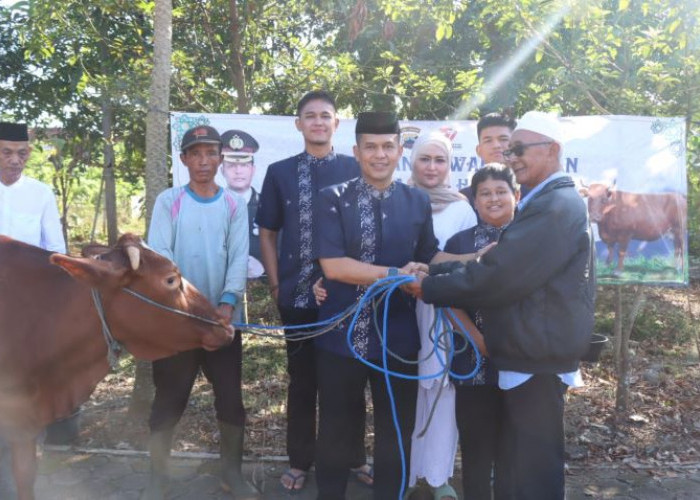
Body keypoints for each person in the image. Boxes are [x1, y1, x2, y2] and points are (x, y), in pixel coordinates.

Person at [406, 111, 596, 500]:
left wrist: (429, 288)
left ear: (554, 150)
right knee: (518, 468)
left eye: (522, 149)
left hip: (536, 362)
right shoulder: (547, 204)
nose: (514, 157)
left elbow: (499, 277)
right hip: (527, 358)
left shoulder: (555, 207)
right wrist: (437, 276)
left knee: (534, 474)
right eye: (511, 150)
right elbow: (496, 271)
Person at [314, 112, 481, 500]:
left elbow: (429, 256)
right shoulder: (332, 199)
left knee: (395, 431)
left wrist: (475, 260)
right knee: (336, 429)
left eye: (388, 146)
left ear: (399, 151)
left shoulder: (415, 201)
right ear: (355, 151)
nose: (379, 154)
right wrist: (395, 273)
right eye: (370, 146)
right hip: (340, 336)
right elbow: (334, 267)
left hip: (398, 339)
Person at [255, 91, 372, 492]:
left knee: (349, 380)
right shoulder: (279, 173)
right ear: (299, 124)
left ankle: (354, 456)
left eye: (326, 116)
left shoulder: (356, 170)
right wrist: (275, 284)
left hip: (346, 298)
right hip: (297, 299)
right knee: (302, 380)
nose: (318, 122)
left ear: (337, 124)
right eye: (310, 116)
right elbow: (268, 232)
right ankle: (300, 460)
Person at [143, 125, 257, 500]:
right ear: (184, 160)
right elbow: (160, 258)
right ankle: (159, 478)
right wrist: (185, 311)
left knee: (230, 399)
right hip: (176, 325)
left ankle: (232, 476)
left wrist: (226, 303)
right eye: (196, 154)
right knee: (168, 400)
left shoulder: (233, 205)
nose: (204, 161)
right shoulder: (169, 201)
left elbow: (239, 257)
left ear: (221, 159)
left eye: (211, 154)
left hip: (222, 321)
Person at [406, 132, 476, 500]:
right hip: (400, 312)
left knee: (442, 389)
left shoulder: (463, 209)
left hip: (444, 315)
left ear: (449, 166)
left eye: (440, 160)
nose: (431, 168)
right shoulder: (400, 199)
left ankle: (437, 477)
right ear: (413, 162)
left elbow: (463, 267)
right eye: (424, 159)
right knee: (403, 390)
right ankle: (405, 470)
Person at [0, 121, 67, 499]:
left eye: (22, 153)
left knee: (24, 416)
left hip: (26, 324)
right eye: (7, 152)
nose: (15, 160)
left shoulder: (40, 194)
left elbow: (55, 255)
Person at [445, 163, 519, 500]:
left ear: (516, 195)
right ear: (474, 201)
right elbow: (444, 296)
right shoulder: (460, 242)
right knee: (475, 453)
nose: (493, 199)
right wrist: (478, 341)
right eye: (484, 193)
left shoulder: (530, 238)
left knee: (514, 455)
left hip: (523, 362)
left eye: (501, 191)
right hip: (472, 362)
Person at [220, 129, 262, 264]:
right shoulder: (208, 208)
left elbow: (283, 247)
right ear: (222, 171)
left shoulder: (271, 206)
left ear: (253, 169)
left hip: (264, 282)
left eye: (244, 165)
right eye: (231, 165)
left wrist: (263, 266)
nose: (238, 171)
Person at [460, 113, 517, 206]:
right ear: (478, 150)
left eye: (503, 139)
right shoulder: (465, 198)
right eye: (488, 140)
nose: (496, 145)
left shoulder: (534, 193)